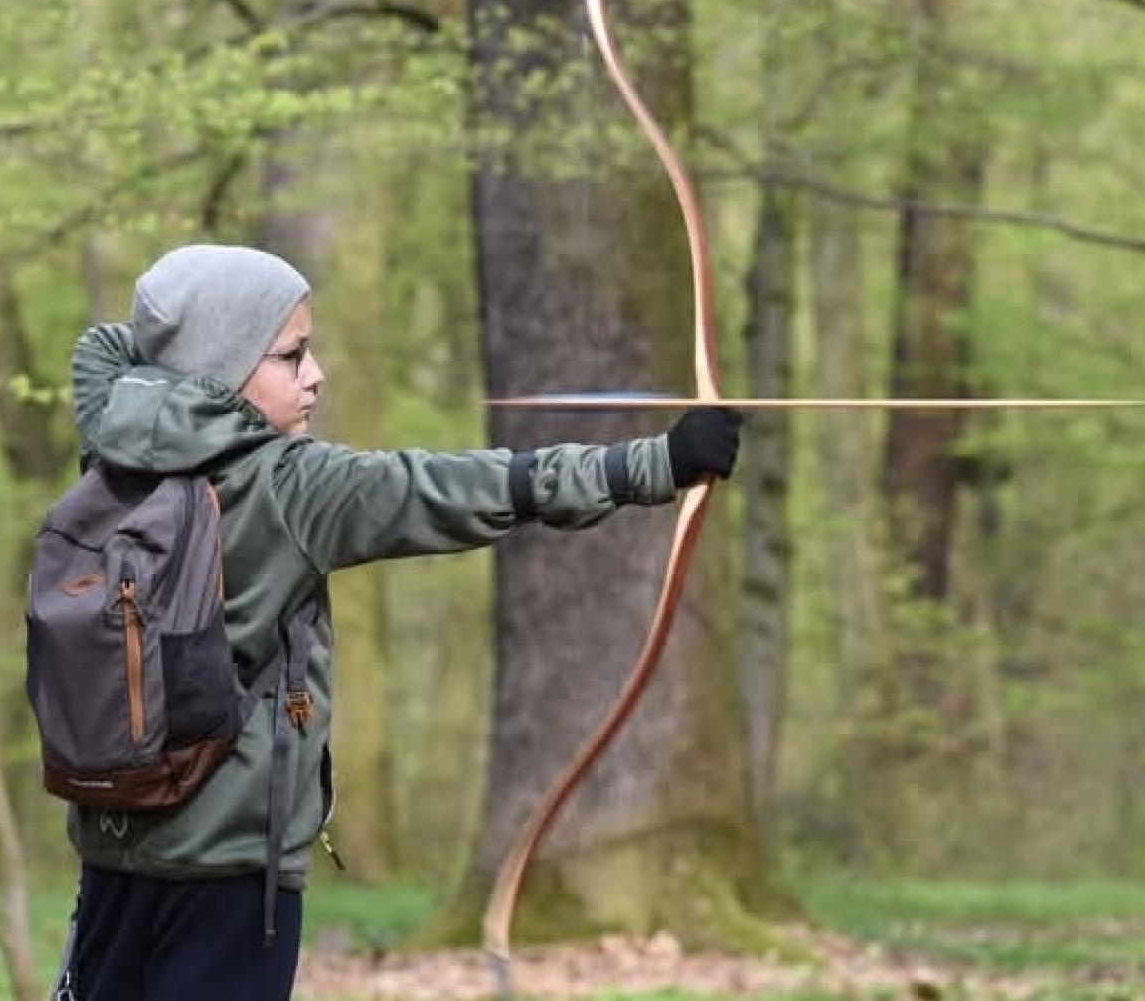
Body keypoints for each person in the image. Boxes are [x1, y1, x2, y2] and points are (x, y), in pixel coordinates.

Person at [56, 243, 743, 1000]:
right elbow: (458, 488)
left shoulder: (109, 440)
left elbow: (109, 345)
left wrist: (184, 355)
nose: (315, 374)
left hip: (111, 857)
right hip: (231, 877)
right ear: (224, 367)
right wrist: (657, 463)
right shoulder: (293, 484)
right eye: (291, 355)